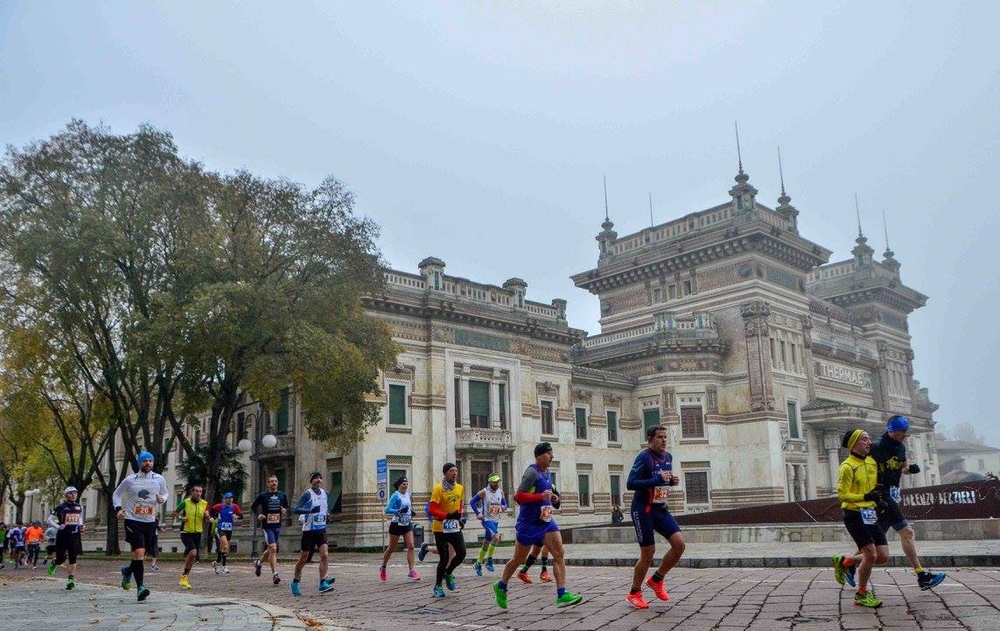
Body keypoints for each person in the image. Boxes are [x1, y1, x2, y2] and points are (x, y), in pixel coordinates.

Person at [493, 442, 583, 610]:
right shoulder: (531, 472)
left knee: (558, 553)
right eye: (549, 454)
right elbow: (518, 497)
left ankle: (562, 594)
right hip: (528, 523)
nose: (552, 456)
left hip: (546, 521)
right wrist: (540, 497)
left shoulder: (546, 472)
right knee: (518, 559)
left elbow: (545, 496)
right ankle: (501, 585)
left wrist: (552, 499)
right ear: (540, 456)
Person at [869, 414, 946, 590]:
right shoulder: (876, 448)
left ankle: (847, 563)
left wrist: (910, 469)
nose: (904, 435)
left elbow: (902, 468)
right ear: (892, 431)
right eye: (901, 431)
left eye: (906, 431)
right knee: (907, 532)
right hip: (881, 496)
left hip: (891, 495)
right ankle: (921, 575)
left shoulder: (900, 448)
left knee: (875, 542)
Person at [624, 425, 686, 609]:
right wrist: (656, 480)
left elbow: (661, 482)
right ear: (650, 439)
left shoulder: (668, 457)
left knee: (679, 544)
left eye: (665, 437)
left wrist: (671, 482)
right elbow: (630, 483)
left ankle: (657, 579)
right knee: (648, 553)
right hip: (643, 509)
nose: (664, 440)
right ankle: (634, 592)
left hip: (660, 509)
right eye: (660, 437)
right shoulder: (644, 457)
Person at [832, 429, 888, 608]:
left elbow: (872, 489)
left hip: (870, 513)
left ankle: (846, 561)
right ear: (854, 443)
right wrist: (865, 498)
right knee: (870, 555)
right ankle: (861, 594)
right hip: (854, 514)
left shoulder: (871, 463)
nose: (869, 442)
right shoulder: (847, 466)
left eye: (869, 438)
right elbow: (842, 496)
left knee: (882, 557)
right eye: (865, 439)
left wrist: (878, 501)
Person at [112, 450, 169, 601]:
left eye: (150, 461)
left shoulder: (159, 479)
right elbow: (116, 494)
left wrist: (161, 499)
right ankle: (141, 588)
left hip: (149, 521)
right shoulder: (130, 480)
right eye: (145, 461)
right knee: (139, 552)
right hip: (132, 520)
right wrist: (118, 509)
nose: (148, 463)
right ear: (139, 463)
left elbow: (165, 493)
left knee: (142, 555)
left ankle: (127, 571)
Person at [290, 471, 335, 596]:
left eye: (320, 478)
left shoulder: (326, 494)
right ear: (311, 481)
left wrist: (327, 516)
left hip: (321, 530)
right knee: (304, 558)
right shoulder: (307, 494)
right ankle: (295, 581)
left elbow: (325, 510)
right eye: (315, 478)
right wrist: (310, 511)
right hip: (309, 531)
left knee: (325, 555)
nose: (318, 480)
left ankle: (322, 583)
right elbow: (296, 510)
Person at [427, 463, 467, 598]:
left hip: (454, 526)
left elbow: (460, 505)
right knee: (444, 557)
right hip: (440, 528)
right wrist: (447, 516)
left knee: (461, 553)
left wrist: (459, 517)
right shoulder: (439, 489)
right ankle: (438, 585)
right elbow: (431, 510)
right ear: (445, 473)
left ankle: (449, 573)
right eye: (451, 471)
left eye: (456, 470)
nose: (454, 473)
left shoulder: (460, 488)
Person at [251, 474, 290, 585]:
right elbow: (254, 506)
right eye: (271, 481)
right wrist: (259, 514)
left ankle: (258, 563)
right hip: (267, 526)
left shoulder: (282, 495)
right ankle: (275, 575)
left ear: (277, 483)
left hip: (277, 525)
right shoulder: (263, 496)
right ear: (268, 484)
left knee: (270, 549)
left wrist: (284, 509)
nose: (274, 483)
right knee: (273, 547)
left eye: (275, 481)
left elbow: (287, 507)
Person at [380, 476, 419, 582]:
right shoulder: (395, 496)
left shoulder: (408, 495)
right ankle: (383, 567)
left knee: (411, 546)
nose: (405, 486)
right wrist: (398, 511)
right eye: (403, 484)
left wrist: (411, 512)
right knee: (392, 548)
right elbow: (387, 509)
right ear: (399, 485)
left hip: (407, 524)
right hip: (396, 524)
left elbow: (408, 508)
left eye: (406, 484)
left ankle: (412, 571)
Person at [46, 486, 84, 589]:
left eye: (75, 493)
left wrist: (81, 526)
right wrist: (58, 527)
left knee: (73, 558)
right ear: (66, 495)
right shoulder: (61, 507)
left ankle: (71, 579)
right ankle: (54, 562)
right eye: (71, 493)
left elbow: (80, 519)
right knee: (61, 558)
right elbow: (49, 520)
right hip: (62, 536)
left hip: (74, 536)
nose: (73, 495)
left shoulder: (79, 507)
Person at [470, 473, 508, 576]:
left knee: (487, 542)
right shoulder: (484, 492)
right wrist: (478, 513)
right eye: (494, 482)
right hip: (486, 520)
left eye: (498, 482)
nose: (497, 484)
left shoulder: (500, 492)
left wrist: (503, 507)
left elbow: (505, 504)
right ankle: (489, 561)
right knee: (496, 537)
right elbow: (472, 502)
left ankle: (478, 563)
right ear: (490, 482)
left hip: (496, 520)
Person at [175, 484, 210, 590]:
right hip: (186, 531)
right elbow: (175, 513)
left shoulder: (205, 504)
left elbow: (206, 518)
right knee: (193, 552)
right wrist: (181, 517)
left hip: (198, 532)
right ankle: (184, 576)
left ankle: (184, 577)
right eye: (197, 491)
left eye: (200, 492)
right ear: (192, 492)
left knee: (193, 555)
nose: (199, 493)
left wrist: (208, 518)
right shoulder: (185, 502)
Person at [210, 492, 243, 574]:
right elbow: (212, 510)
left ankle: (216, 563)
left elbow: (241, 516)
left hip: (229, 529)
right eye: (228, 498)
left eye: (231, 498)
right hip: (220, 529)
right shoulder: (220, 506)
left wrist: (237, 517)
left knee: (223, 548)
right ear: (225, 499)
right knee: (225, 546)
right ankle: (224, 566)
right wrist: (212, 517)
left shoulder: (235, 507)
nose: (230, 500)